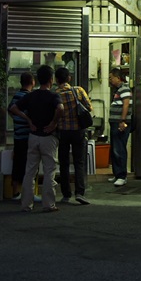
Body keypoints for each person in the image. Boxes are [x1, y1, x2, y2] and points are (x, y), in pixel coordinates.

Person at [9, 64, 64, 213]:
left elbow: (13, 108)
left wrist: (28, 119)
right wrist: (53, 123)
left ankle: (26, 204)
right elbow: (60, 108)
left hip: (33, 137)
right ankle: (48, 204)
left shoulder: (30, 96)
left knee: (30, 172)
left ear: (38, 80)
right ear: (51, 80)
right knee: (49, 171)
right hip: (48, 137)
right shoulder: (53, 96)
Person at [54, 66, 92, 205]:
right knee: (79, 162)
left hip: (63, 132)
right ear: (69, 78)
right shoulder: (78, 90)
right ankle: (80, 193)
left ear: (56, 80)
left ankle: (66, 194)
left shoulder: (55, 94)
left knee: (63, 163)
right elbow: (89, 107)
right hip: (78, 131)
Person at [8, 72, 40, 202]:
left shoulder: (16, 95)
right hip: (28, 135)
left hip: (17, 135)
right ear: (32, 82)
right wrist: (27, 119)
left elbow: (10, 109)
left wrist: (17, 120)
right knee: (30, 165)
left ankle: (16, 192)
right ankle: (29, 193)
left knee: (18, 164)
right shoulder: (30, 97)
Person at [108, 67, 133, 187]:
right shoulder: (118, 89)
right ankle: (117, 174)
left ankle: (122, 176)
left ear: (118, 78)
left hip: (120, 123)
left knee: (119, 149)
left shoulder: (124, 89)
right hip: (115, 122)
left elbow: (126, 105)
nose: (110, 80)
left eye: (111, 77)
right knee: (115, 149)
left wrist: (122, 120)